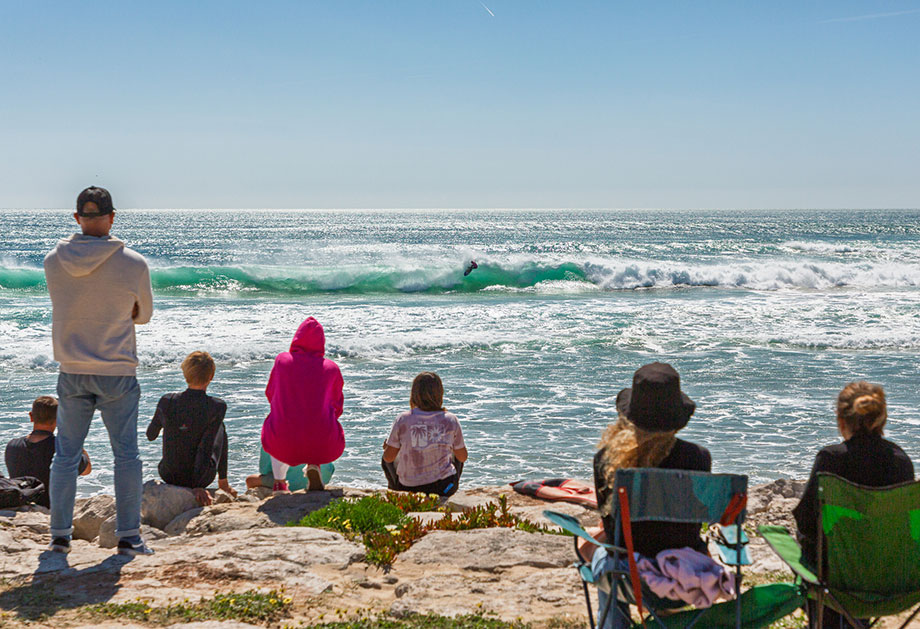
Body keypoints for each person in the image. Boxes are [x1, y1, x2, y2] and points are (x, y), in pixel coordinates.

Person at [43, 186, 154, 556]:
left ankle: (59, 536)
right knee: (126, 455)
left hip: (72, 369)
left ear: (77, 217)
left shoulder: (52, 261)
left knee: (65, 456)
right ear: (112, 217)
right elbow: (145, 315)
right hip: (117, 370)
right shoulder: (134, 264)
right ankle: (129, 537)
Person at [591, 362, 711, 628]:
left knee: (603, 553)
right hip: (686, 578)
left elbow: (612, 530)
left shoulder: (606, 461)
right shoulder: (698, 457)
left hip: (630, 579)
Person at [793, 382, 914, 629]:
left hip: (835, 583)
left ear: (841, 420)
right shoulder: (902, 462)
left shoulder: (831, 459)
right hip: (889, 581)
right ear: (882, 420)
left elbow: (805, 518)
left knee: (813, 549)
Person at [260, 317, 345, 494]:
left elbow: (270, 393)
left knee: (279, 423)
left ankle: (279, 482)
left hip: (284, 442)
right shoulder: (331, 368)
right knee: (318, 423)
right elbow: (337, 406)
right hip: (323, 444)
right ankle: (314, 466)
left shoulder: (282, 361)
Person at [147, 351, 237, 506]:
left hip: (168, 474)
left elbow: (151, 435)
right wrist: (197, 485)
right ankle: (224, 483)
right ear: (211, 376)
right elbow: (207, 447)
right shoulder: (217, 406)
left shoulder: (167, 401)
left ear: (185, 374)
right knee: (220, 428)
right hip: (201, 477)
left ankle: (215, 482)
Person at [381, 372, 468, 497]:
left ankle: (396, 491)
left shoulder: (403, 419)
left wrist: (389, 448)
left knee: (388, 453)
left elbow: (388, 458)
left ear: (415, 394)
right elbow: (463, 457)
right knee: (457, 453)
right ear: (440, 394)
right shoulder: (450, 420)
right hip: (444, 488)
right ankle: (448, 495)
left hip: (407, 489)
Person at [5, 396, 92, 508]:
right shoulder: (63, 447)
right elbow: (87, 470)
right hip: (54, 510)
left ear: (31, 416)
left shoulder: (12, 446)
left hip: (21, 505)